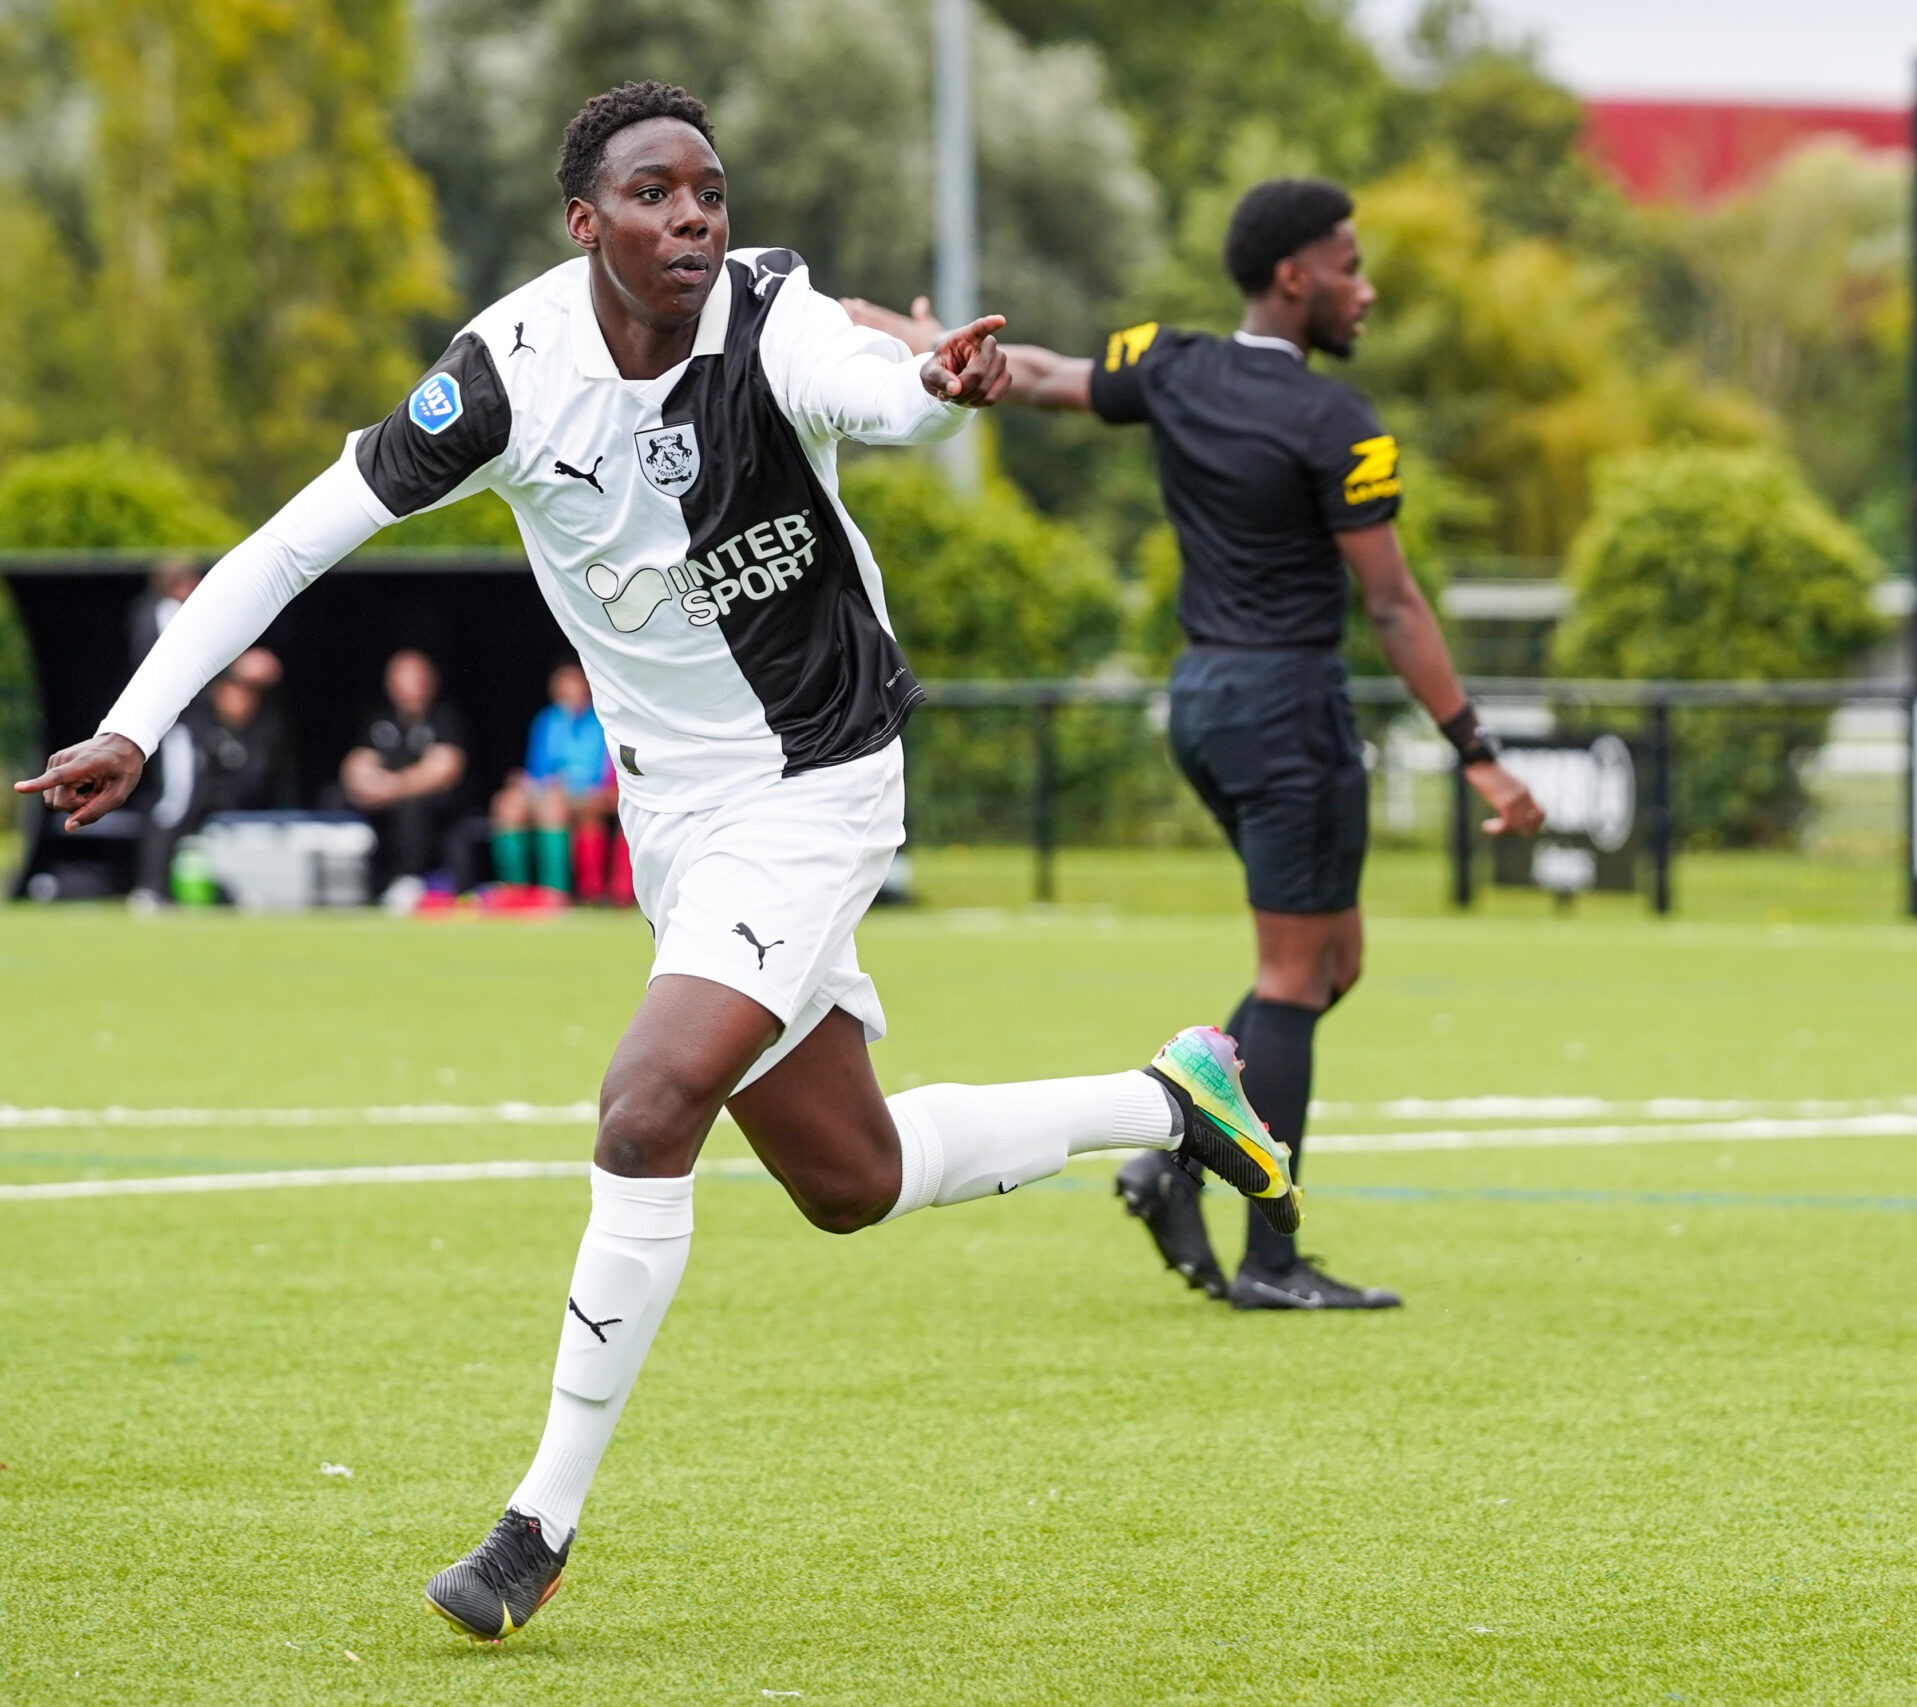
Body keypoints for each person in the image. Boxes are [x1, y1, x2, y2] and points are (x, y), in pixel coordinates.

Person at [18, 81, 1303, 1642]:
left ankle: (534, 1521)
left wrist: (939, 386)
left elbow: (868, 387)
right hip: (674, 815)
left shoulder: (767, 312)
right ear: (586, 223)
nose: (692, 216)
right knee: (852, 1178)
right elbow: (294, 541)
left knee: (646, 1103)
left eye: (708, 189)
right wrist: (137, 723)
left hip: (819, 778)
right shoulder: (503, 376)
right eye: (654, 193)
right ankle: (1171, 1096)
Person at [847, 178, 1545, 1311]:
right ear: (1293, 278)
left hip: (1204, 702)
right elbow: (1398, 608)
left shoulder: (1169, 362)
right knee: (1294, 973)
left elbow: (1040, 378)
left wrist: (921, 344)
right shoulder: (1339, 425)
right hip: (1288, 711)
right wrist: (1476, 749)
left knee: (1329, 963)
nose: (1365, 291)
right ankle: (1268, 1251)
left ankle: (1167, 1154)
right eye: (1350, 267)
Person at [137, 647, 299, 898]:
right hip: (195, 800)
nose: (244, 698)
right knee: (175, 807)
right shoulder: (194, 722)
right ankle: (151, 888)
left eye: (252, 692)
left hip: (238, 812)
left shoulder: (265, 730)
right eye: (237, 688)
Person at [339, 648, 471, 897]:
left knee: (412, 807)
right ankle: (348, 881)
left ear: (431, 681)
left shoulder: (443, 718)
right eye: (402, 679)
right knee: (336, 798)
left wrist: (395, 788)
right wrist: (365, 782)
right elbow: (357, 763)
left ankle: (409, 881)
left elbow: (445, 768)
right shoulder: (380, 719)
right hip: (382, 798)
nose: (410, 687)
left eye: (417, 679)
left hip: (429, 803)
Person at [490, 660, 616, 898]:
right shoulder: (547, 720)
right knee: (508, 804)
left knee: (552, 805)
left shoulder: (601, 721)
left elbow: (603, 773)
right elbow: (538, 769)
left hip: (589, 793)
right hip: (549, 790)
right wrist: (525, 781)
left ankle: (554, 891)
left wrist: (565, 784)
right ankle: (514, 890)